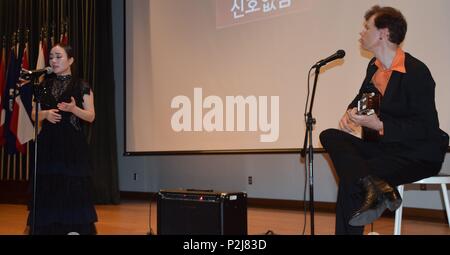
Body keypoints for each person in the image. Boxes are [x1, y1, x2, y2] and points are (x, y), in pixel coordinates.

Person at [320, 5, 448, 235]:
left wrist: (381, 126)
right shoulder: (374, 68)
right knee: (329, 135)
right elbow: (364, 99)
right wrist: (351, 113)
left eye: (366, 27)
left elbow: (425, 128)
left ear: (383, 33)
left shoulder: (417, 71)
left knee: (354, 176)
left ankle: (374, 185)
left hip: (418, 153)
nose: (361, 33)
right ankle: (379, 187)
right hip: (386, 149)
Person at [26, 43, 97, 234]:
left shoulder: (81, 85)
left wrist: (74, 109)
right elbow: (33, 114)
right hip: (48, 145)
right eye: (51, 57)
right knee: (49, 188)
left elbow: (91, 116)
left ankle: (72, 229)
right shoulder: (43, 85)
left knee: (72, 188)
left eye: (58, 56)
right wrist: (45, 114)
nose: (53, 61)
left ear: (71, 60)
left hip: (72, 147)